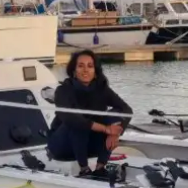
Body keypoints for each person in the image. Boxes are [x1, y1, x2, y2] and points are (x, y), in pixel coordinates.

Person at [47, 49, 133, 178]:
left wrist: (115, 132)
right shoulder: (63, 90)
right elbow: (70, 119)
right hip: (62, 146)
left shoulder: (102, 89)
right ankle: (84, 169)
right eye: (80, 66)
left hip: (89, 144)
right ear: (74, 71)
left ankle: (100, 168)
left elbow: (127, 110)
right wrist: (105, 129)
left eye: (90, 66)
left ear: (95, 71)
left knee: (114, 116)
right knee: (77, 122)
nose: (85, 70)